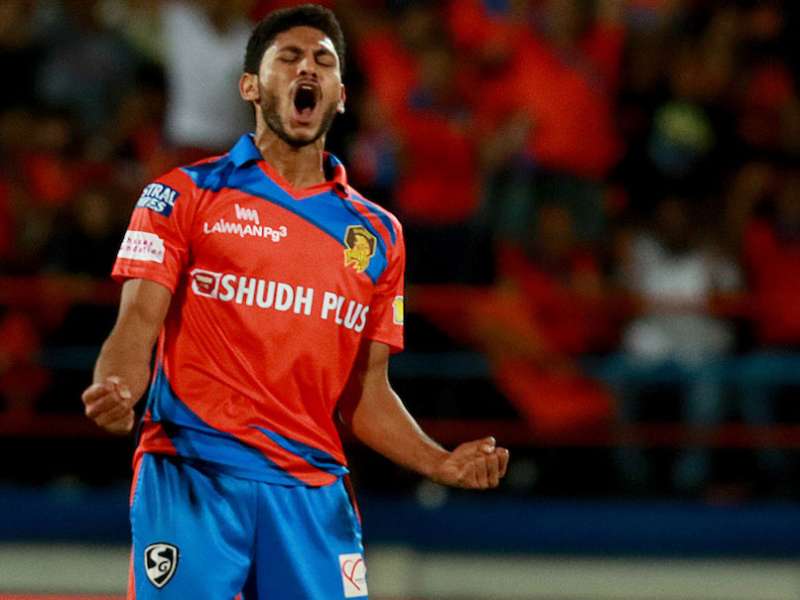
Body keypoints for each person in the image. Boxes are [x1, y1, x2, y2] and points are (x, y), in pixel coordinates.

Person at [80, 5, 509, 599]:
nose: (307, 68)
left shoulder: (379, 235)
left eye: (323, 62)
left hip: (312, 496)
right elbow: (135, 326)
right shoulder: (182, 195)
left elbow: (367, 392)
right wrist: (117, 389)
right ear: (251, 86)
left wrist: (438, 461)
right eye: (288, 57)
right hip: (194, 475)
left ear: (341, 96)